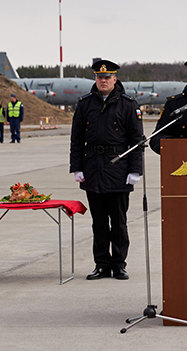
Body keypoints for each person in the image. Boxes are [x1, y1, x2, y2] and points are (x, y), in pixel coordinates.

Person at [69, 59, 143, 280]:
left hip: (119, 169)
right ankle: (101, 264)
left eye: (107, 77)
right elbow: (76, 139)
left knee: (118, 221)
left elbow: (137, 140)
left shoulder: (128, 104)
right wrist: (77, 167)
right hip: (92, 167)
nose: (103, 80)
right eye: (99, 77)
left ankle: (119, 264)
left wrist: (135, 170)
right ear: (95, 79)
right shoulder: (84, 104)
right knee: (99, 222)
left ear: (115, 79)